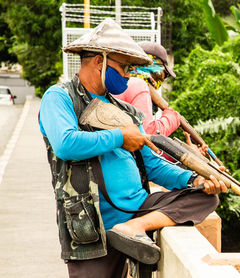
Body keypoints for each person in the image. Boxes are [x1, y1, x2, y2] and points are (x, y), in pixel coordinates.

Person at [39, 18, 227, 278]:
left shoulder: (124, 111)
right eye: (124, 67)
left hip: (138, 210)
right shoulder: (59, 97)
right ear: (99, 61)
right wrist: (119, 138)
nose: (128, 74)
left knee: (205, 197)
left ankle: (134, 228)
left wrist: (195, 178)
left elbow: (152, 164)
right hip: (91, 224)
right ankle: (128, 229)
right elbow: (66, 144)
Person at [113, 42, 179, 137]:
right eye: (165, 74)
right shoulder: (139, 85)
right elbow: (149, 133)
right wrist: (172, 118)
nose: (163, 78)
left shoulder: (121, 81)